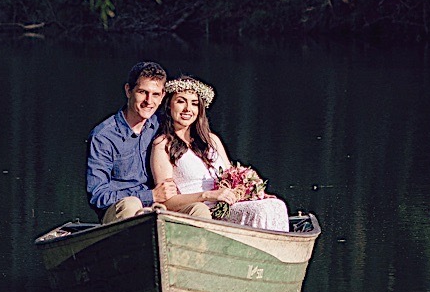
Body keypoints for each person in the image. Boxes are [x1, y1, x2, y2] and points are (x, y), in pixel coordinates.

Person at [148, 75, 290, 232]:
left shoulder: (211, 140)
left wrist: (252, 190)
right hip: (202, 210)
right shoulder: (163, 144)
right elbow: (167, 202)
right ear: (169, 106)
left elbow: (232, 176)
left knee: (275, 205)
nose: (188, 109)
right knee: (260, 211)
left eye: (194, 104)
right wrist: (208, 195)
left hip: (228, 205)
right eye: (181, 101)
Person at [86, 61, 173, 224]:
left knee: (197, 209)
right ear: (128, 90)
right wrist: (150, 195)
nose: (149, 101)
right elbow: (98, 196)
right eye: (142, 92)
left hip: (159, 209)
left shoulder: (162, 125)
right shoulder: (103, 136)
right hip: (120, 214)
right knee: (131, 204)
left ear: (162, 96)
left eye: (155, 94)